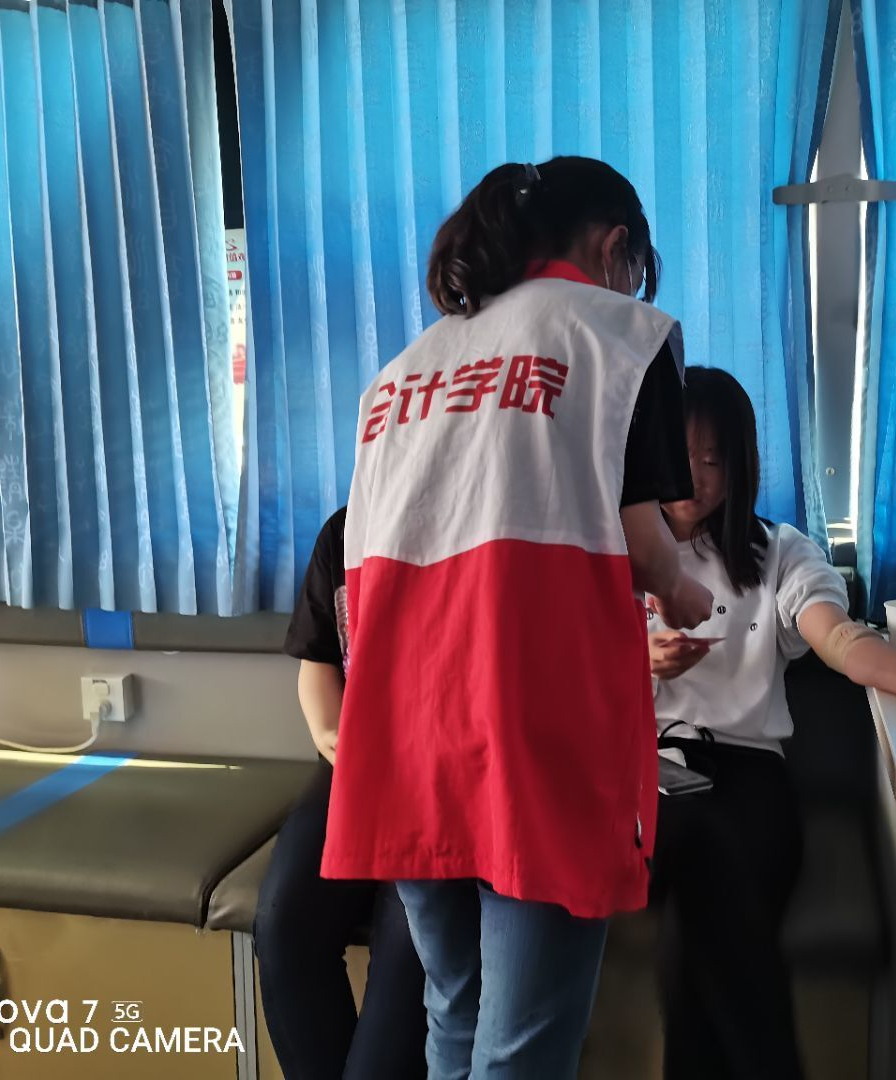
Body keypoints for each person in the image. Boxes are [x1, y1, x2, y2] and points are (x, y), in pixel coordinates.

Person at [321, 156, 714, 1080]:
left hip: (406, 731)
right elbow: (646, 547)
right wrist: (686, 594)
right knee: (524, 1045)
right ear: (615, 248)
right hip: (535, 730)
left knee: (453, 1012)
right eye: (636, 268)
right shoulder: (616, 337)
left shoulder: (401, 375)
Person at [646, 367, 896, 1080]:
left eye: (713, 459)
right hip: (647, 771)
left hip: (747, 776)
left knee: (702, 907)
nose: (693, 477)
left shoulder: (779, 553)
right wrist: (635, 666)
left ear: (741, 464)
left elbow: (840, 640)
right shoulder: (616, 554)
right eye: (679, 456)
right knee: (702, 895)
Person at [257, 508, 427, 1080]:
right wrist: (334, 737)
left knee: (408, 950)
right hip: (353, 767)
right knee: (284, 928)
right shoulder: (344, 531)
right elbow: (318, 663)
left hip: (443, 780)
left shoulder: (476, 522)